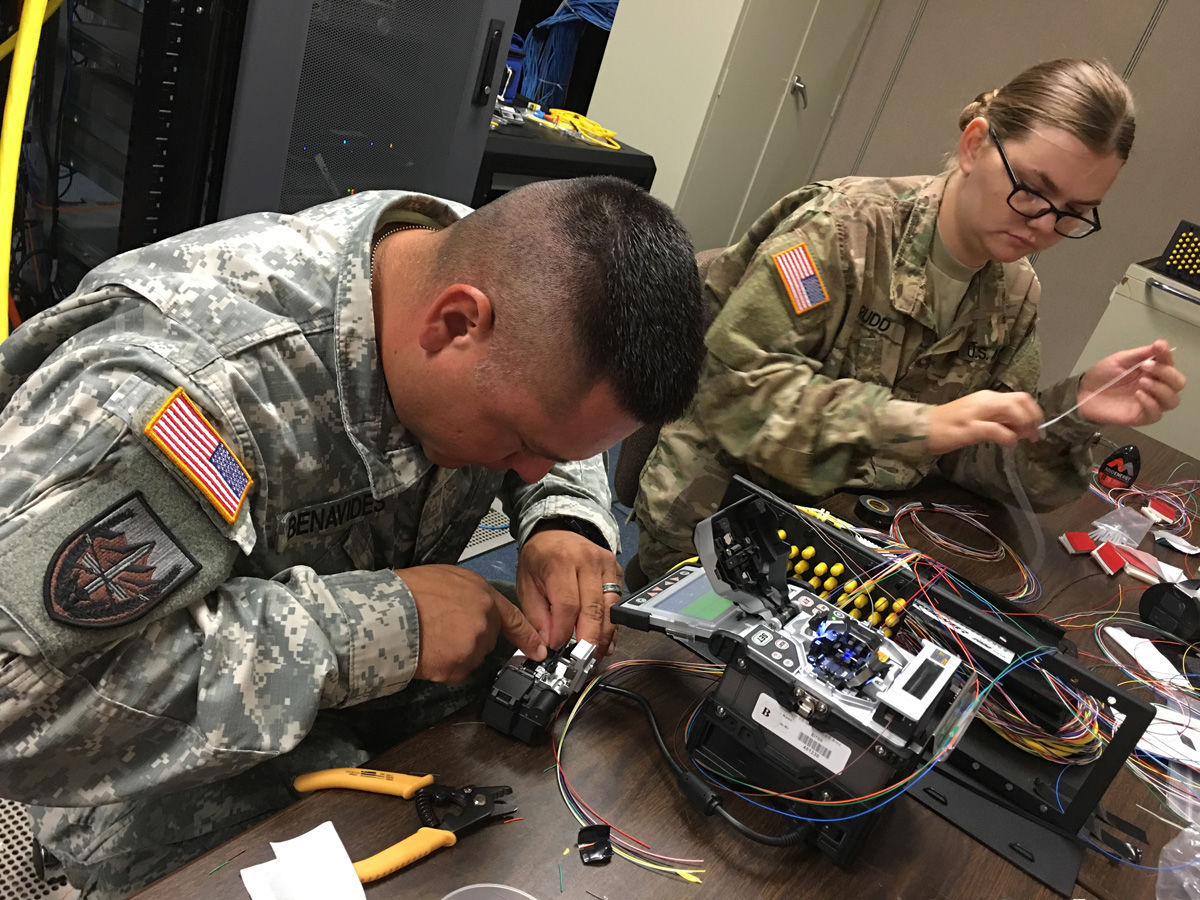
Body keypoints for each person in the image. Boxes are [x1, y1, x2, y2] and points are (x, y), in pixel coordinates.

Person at [0, 175, 705, 896]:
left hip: (364, 683)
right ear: (455, 324)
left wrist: (562, 512)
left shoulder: (497, 273)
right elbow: (20, 703)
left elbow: (557, 409)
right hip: (146, 755)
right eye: (524, 442)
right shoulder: (177, 391)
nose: (528, 468)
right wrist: (370, 631)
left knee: (584, 742)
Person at [635, 57, 1186, 582]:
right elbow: (737, 397)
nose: (1044, 225)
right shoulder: (839, 233)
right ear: (975, 145)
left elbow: (984, 460)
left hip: (856, 542)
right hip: (716, 534)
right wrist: (919, 426)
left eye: (1072, 212)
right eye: (1033, 190)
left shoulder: (1013, 293)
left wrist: (1076, 408)